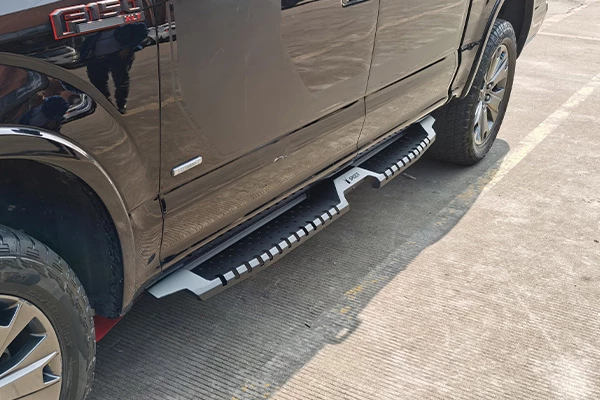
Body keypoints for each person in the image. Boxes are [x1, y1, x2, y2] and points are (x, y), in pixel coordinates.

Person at [80, 23, 148, 114]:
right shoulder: (91, 24)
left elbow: (142, 31)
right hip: (96, 58)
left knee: (121, 81)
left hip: (118, 56)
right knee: (97, 81)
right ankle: (107, 103)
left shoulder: (122, 21)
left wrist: (128, 47)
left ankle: (121, 104)